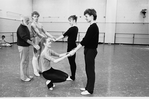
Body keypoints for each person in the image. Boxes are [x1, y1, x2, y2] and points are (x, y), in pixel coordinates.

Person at [68, 9, 99, 95]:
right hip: (88, 50)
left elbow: (85, 40)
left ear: (92, 16)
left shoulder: (93, 27)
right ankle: (87, 87)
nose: (85, 18)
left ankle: (90, 90)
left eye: (86, 16)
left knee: (90, 70)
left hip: (91, 51)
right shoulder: (92, 26)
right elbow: (86, 40)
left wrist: (74, 50)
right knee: (87, 69)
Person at [31, 11, 55, 77]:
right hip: (36, 40)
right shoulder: (33, 24)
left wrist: (51, 36)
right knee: (35, 56)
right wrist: (47, 38)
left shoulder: (40, 24)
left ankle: (38, 69)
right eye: (34, 16)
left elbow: (45, 32)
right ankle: (35, 71)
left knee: (40, 55)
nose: (36, 18)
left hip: (41, 40)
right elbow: (38, 33)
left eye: (37, 16)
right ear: (32, 17)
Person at [55, 15, 78, 81]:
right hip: (72, 46)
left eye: (70, 21)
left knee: (72, 62)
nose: (69, 22)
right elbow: (66, 35)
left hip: (71, 47)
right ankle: (73, 76)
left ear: (74, 20)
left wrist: (56, 39)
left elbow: (63, 35)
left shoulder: (72, 28)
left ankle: (72, 77)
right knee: (72, 61)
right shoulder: (76, 28)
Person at [17, 16, 40, 82]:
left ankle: (26, 75)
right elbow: (25, 39)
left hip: (26, 46)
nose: (28, 22)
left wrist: (33, 37)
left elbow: (28, 36)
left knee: (26, 61)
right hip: (22, 47)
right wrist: (34, 45)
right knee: (23, 62)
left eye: (28, 20)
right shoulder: (21, 28)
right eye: (26, 20)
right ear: (22, 21)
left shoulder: (25, 27)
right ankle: (23, 77)